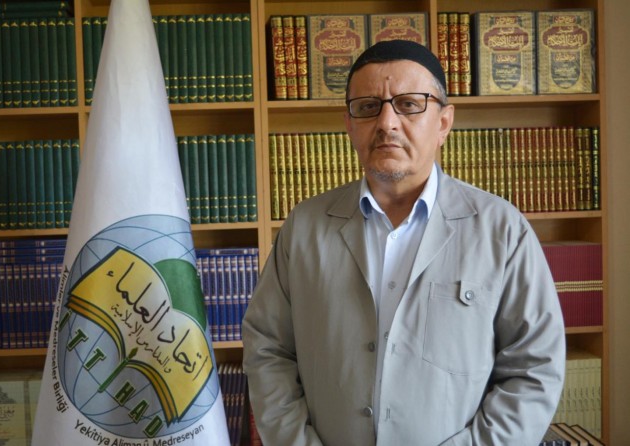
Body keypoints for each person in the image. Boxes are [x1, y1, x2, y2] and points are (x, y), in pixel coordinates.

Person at [242, 39, 566, 446]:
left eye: (409, 104)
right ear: (349, 125)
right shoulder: (304, 228)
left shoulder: (502, 230)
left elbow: (534, 369)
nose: (387, 123)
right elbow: (268, 350)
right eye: (367, 107)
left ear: (444, 122)